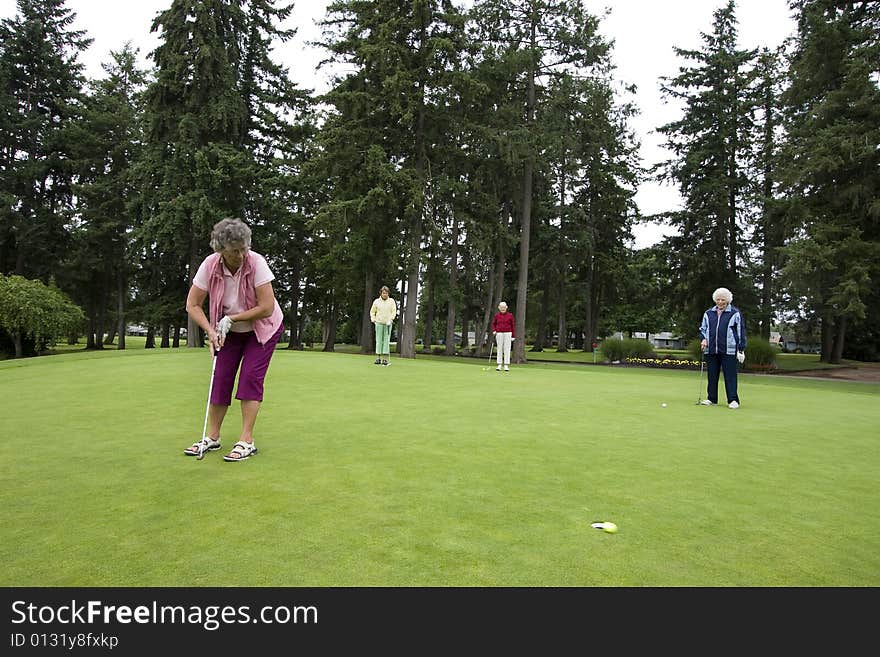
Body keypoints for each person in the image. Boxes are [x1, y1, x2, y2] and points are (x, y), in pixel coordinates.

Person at [182, 217, 284, 461]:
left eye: (243, 249)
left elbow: (267, 307)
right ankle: (213, 437)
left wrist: (234, 318)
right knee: (221, 378)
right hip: (227, 331)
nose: (240, 255)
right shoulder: (209, 265)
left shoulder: (256, 263)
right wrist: (210, 330)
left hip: (263, 329)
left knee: (249, 377)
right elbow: (192, 304)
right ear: (220, 250)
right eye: (234, 251)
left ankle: (246, 440)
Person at [699, 287, 747, 409]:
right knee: (712, 375)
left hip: (729, 350)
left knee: (730, 375)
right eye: (718, 299)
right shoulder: (708, 313)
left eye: (723, 300)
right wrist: (703, 339)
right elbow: (703, 329)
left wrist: (741, 349)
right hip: (711, 349)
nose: (720, 302)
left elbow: (741, 331)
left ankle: (733, 400)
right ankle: (711, 398)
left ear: (728, 300)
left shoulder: (735, 313)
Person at [370, 285, 397, 366]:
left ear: (388, 293)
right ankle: (378, 358)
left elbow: (394, 311)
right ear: (381, 293)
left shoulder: (391, 301)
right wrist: (373, 320)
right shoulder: (376, 301)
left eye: (386, 293)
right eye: (383, 293)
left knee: (386, 341)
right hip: (378, 323)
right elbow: (372, 312)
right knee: (378, 340)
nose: (385, 294)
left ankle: (385, 359)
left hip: (388, 323)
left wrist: (391, 319)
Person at [491, 301, 515, 371]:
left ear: (506, 307)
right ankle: (499, 364)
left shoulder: (510, 315)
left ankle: (506, 365)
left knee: (507, 349)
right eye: (501, 307)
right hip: (499, 333)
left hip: (508, 333)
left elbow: (513, 325)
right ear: (499, 308)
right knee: (499, 348)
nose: (503, 309)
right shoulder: (497, 316)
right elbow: (493, 324)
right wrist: (494, 330)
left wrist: (513, 335)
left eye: (504, 307)